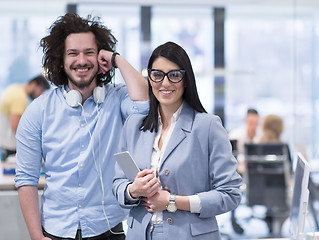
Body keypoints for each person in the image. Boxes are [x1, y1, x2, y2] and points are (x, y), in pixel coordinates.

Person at [14, 13, 149, 240]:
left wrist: (117, 59)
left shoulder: (117, 99)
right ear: (60, 60)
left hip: (108, 227)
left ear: (100, 58)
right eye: (73, 53)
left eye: (89, 52)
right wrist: (36, 236)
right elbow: (26, 178)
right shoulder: (38, 111)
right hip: (55, 230)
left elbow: (145, 102)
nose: (82, 60)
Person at [112, 42, 242, 240]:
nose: (165, 83)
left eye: (174, 75)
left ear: (186, 80)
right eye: (157, 75)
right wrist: (133, 190)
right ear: (149, 78)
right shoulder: (133, 125)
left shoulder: (207, 126)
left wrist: (172, 201)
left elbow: (230, 194)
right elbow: (118, 183)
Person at [0, 74, 50, 161]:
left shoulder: (14, 88)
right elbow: (15, 126)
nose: (40, 95)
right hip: (10, 148)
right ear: (34, 84)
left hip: (4, 145)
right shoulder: (19, 97)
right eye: (41, 90)